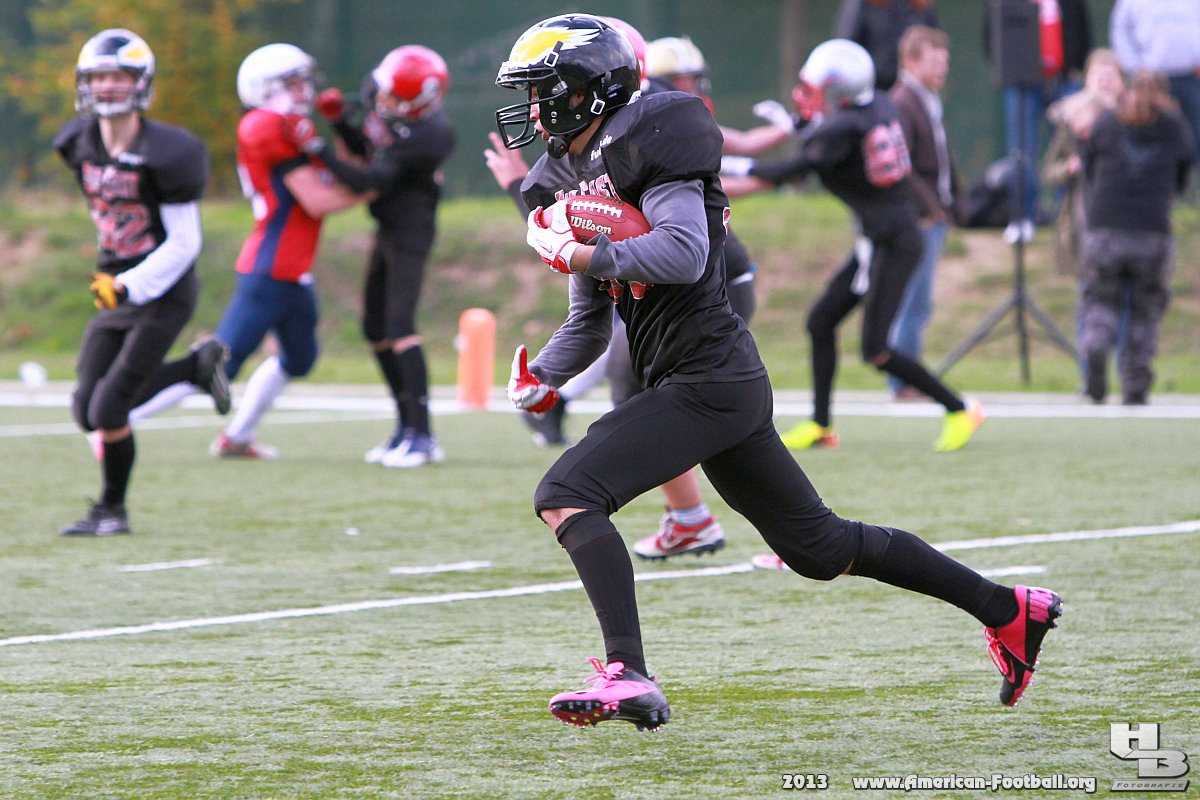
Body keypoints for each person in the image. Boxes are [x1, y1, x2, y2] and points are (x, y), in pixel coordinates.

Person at [495, 14, 1062, 730]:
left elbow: (682, 254)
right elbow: (590, 317)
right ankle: (1007, 608)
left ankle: (628, 673)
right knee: (820, 548)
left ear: (588, 89)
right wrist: (544, 376)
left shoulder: (651, 133)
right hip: (710, 381)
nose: (533, 107)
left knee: (567, 492)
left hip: (707, 377)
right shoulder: (562, 176)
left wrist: (581, 252)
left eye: (542, 89)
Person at [723, 39, 985, 453]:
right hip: (879, 237)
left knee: (876, 349)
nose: (807, 96)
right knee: (820, 323)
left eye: (816, 90)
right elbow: (829, 140)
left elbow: (782, 171)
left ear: (839, 92)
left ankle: (960, 408)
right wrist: (806, 127)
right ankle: (821, 425)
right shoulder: (878, 103)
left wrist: (718, 160)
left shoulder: (840, 131)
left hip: (893, 242)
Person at [54, 29, 229, 535]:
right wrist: (114, 275)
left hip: (162, 290)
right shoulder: (77, 142)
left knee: (110, 407)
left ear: (141, 83)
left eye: (118, 76)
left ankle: (112, 511)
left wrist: (130, 284)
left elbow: (184, 243)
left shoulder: (170, 151)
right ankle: (194, 369)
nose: (107, 86)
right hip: (115, 284)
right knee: (86, 409)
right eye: (98, 77)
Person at [207, 43, 369, 459]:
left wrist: (341, 129)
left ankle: (238, 437)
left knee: (299, 358)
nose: (304, 90)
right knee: (218, 366)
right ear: (265, 88)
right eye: (292, 82)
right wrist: (379, 186)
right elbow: (319, 200)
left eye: (303, 80)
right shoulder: (265, 125)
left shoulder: (292, 128)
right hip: (269, 268)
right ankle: (119, 415)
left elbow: (342, 176)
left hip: (294, 270)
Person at [308, 45, 455, 468]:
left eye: (396, 98)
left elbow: (368, 179)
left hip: (411, 227)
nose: (383, 101)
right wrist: (339, 121)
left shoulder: (433, 135)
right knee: (374, 326)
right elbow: (369, 147)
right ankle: (405, 426)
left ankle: (423, 436)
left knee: (399, 325)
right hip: (387, 224)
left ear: (423, 100)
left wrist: (317, 147)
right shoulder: (382, 90)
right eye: (385, 92)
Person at [1078, 71, 1193, 405]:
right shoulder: (1175, 128)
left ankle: (1096, 345)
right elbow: (1183, 175)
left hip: (1105, 227)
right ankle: (1135, 384)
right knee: (1145, 310)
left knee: (1100, 299)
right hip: (1152, 231)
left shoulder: (1106, 123)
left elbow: (1088, 167)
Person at [1041, 49, 1125, 393]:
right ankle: (1090, 375)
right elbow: (1050, 170)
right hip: (1086, 223)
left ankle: (1127, 374)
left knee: (1127, 300)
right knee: (1090, 301)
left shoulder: (1135, 117)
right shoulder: (1072, 122)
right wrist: (1069, 167)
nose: (1104, 82)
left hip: (1126, 222)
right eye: (1097, 75)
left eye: (1110, 75)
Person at [887, 25, 960, 400]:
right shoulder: (904, 101)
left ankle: (907, 379)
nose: (942, 68)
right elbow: (903, 166)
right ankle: (903, 382)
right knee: (912, 303)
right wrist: (931, 209)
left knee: (918, 303)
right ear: (911, 61)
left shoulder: (927, 99)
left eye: (944, 61)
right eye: (934, 61)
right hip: (918, 219)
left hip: (932, 216)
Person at [984, 0, 1093, 244]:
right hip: (1022, 83)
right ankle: (1022, 217)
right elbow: (992, 35)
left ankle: (1067, 217)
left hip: (1064, 80)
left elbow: (1081, 28)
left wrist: (1076, 66)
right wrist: (1008, 70)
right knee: (1021, 150)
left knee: (1070, 150)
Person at [1109, 0, 1200, 185]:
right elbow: (1120, 31)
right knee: (1151, 134)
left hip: (1192, 75)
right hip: (1150, 80)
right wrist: (1135, 67)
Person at [836, 0, 941, 91]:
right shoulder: (864, 4)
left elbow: (936, 40)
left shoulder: (919, 5)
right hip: (874, 87)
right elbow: (847, 45)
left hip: (910, 88)